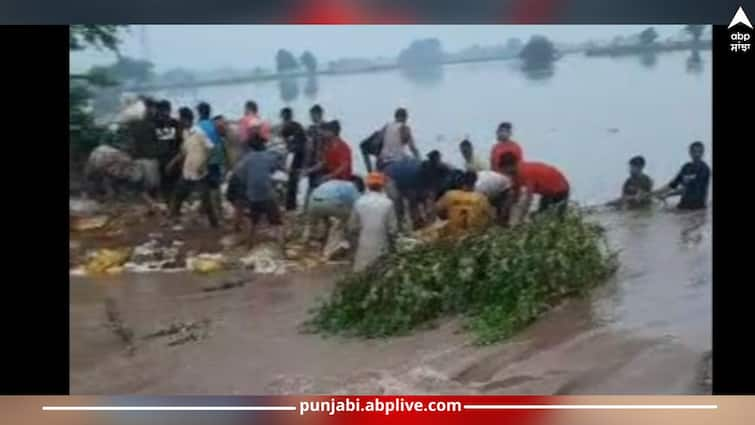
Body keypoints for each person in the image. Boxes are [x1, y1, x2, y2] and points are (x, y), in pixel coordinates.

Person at [168, 110, 221, 228]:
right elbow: (183, 152)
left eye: (181, 119)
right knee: (178, 195)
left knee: (205, 200)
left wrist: (203, 164)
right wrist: (173, 163)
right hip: (188, 171)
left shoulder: (199, 132)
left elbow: (212, 149)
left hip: (199, 172)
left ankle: (215, 224)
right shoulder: (185, 133)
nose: (180, 122)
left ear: (187, 119)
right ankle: (171, 218)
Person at [233, 136, 286, 249]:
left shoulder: (247, 159)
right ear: (263, 145)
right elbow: (278, 165)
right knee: (277, 223)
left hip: (253, 196)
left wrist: (248, 181)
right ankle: (282, 249)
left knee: (253, 222)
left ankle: (248, 246)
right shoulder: (268, 157)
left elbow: (238, 172)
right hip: (267, 194)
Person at [499, 153, 570, 225]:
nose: (504, 173)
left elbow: (528, 197)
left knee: (554, 221)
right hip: (547, 193)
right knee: (539, 217)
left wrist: (520, 219)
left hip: (560, 189)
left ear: (509, 166)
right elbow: (514, 196)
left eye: (504, 170)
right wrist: (504, 215)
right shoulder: (515, 175)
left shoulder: (525, 171)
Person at [348, 172, 399, 272]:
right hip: (382, 249)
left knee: (361, 275)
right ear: (382, 186)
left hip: (362, 250)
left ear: (367, 185)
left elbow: (352, 227)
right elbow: (393, 230)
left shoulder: (359, 202)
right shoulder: (388, 203)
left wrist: (353, 248)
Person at [305, 176, 365, 255]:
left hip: (313, 200)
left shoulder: (336, 182)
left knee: (314, 223)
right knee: (341, 222)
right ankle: (330, 249)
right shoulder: (353, 188)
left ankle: (307, 242)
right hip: (330, 202)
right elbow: (357, 209)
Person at [435, 171, 495, 238]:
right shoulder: (482, 199)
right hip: (473, 239)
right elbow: (490, 220)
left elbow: (439, 213)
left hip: (451, 238)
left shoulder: (449, 195)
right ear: (475, 182)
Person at [653, 141, 711, 210]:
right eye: (694, 152)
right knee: (659, 211)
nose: (697, 154)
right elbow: (672, 185)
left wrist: (667, 195)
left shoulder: (704, 169)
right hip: (683, 205)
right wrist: (653, 193)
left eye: (699, 152)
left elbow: (688, 189)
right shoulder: (686, 167)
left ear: (703, 153)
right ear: (690, 153)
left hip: (698, 208)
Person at [196, 103, 227, 221]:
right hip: (215, 159)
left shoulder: (197, 127)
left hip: (203, 160)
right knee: (215, 187)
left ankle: (208, 213)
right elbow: (222, 141)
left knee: (204, 187)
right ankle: (219, 212)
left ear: (199, 113)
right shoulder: (215, 125)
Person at [279, 107, 308, 211]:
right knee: (294, 180)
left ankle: (290, 206)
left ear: (283, 116)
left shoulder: (286, 127)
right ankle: (292, 205)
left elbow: (288, 145)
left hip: (295, 155)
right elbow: (305, 141)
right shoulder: (297, 125)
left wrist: (285, 159)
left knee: (292, 180)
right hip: (302, 154)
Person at [155, 100, 182, 200]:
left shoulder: (171, 123)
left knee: (171, 183)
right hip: (166, 158)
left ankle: (171, 203)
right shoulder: (160, 123)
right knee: (166, 183)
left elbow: (174, 140)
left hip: (170, 157)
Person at [303, 104, 327, 211]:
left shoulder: (314, 130)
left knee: (315, 190)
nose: (311, 118)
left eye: (312, 115)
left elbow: (309, 148)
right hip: (319, 165)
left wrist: (306, 167)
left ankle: (309, 211)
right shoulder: (326, 128)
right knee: (318, 190)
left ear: (317, 114)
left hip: (318, 164)